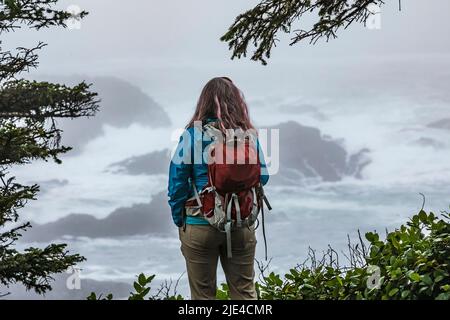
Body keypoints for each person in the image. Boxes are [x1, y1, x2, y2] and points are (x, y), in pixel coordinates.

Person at [167, 77, 269, 300]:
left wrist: (180, 219)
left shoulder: (192, 135)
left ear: (203, 103)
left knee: (203, 297)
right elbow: (263, 176)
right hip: (241, 222)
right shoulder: (248, 136)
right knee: (244, 292)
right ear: (236, 102)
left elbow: (177, 183)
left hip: (199, 223)